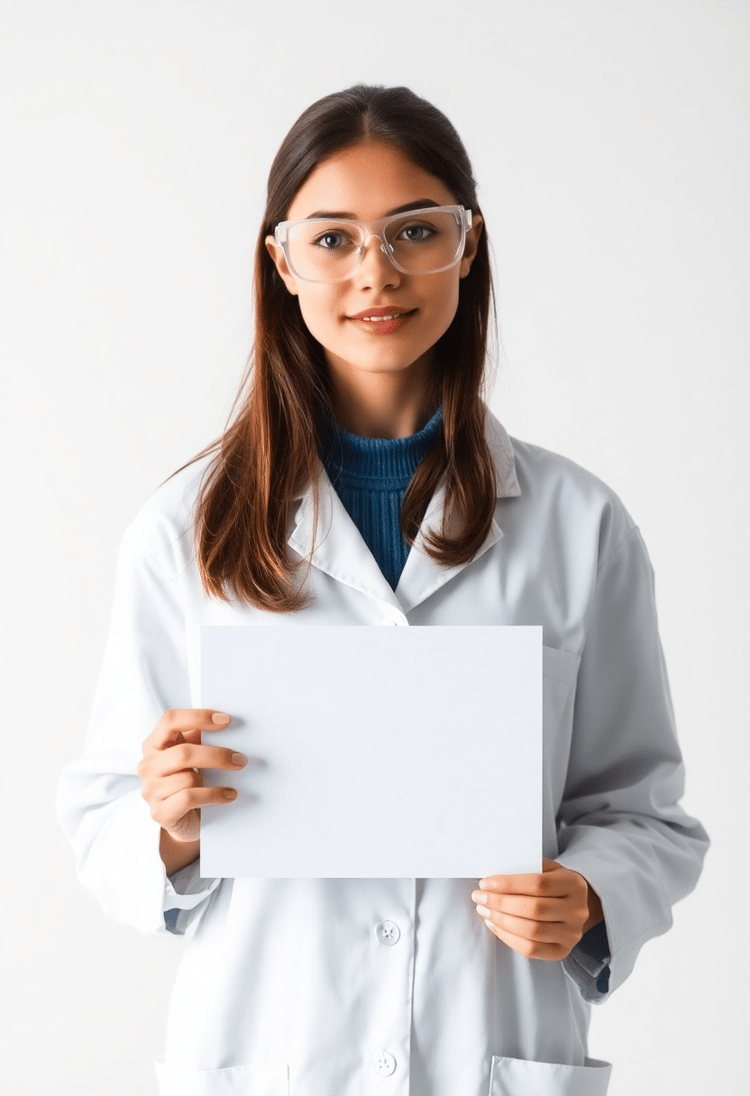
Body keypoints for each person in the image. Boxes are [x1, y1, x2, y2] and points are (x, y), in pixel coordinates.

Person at [57, 84, 708, 1096]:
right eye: (333, 239)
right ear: (281, 261)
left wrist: (589, 893)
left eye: (416, 231)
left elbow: (643, 811)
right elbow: (102, 814)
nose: (377, 272)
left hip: (486, 1050)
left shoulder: (581, 527)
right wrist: (173, 826)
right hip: (267, 1050)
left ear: (469, 245)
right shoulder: (183, 531)